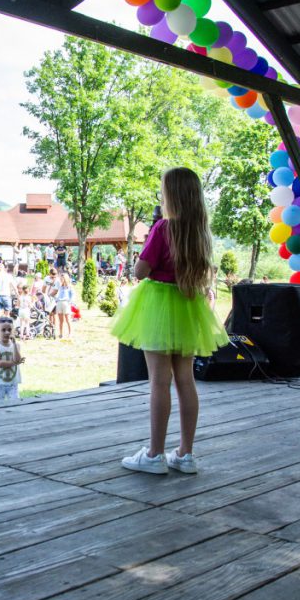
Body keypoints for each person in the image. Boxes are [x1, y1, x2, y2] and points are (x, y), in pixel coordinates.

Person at [111, 167, 228, 475]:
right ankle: (185, 454)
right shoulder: (200, 233)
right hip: (187, 306)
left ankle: (154, 455)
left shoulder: (163, 228)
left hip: (159, 306)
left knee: (159, 382)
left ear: (171, 195)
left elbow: (141, 271)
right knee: (185, 380)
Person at [0, 316, 24, 402]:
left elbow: (17, 359)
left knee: (15, 403)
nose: (7, 332)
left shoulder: (16, 345)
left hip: (13, 383)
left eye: (9, 330)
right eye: (3, 330)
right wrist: (14, 363)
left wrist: (15, 345)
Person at [54, 272, 74, 338]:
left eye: (62, 278)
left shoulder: (69, 287)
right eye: (61, 278)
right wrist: (56, 300)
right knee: (61, 321)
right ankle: (61, 334)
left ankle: (70, 333)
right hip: (59, 303)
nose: (61, 280)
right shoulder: (60, 287)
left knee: (68, 319)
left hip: (66, 303)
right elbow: (57, 294)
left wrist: (70, 302)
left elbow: (72, 295)